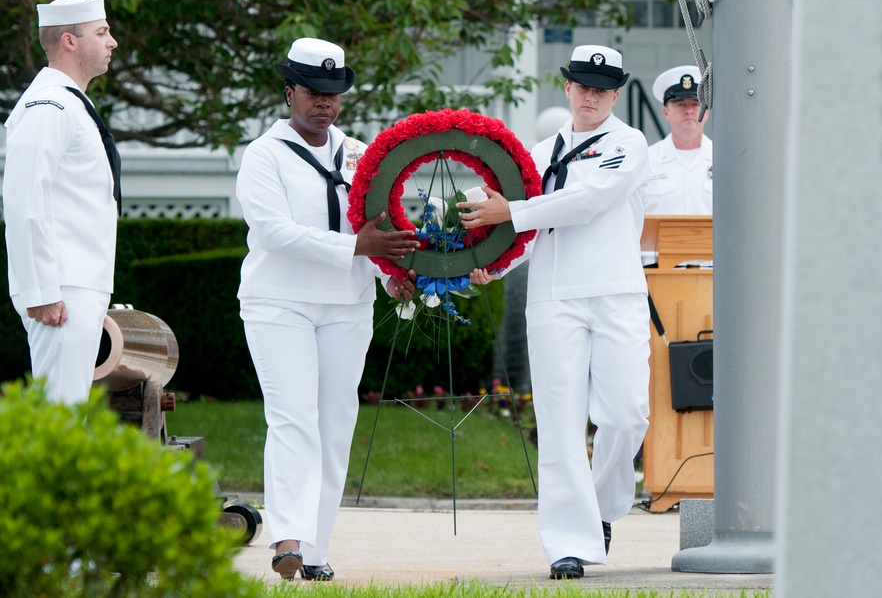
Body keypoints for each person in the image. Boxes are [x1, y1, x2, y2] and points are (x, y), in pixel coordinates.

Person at [458, 45, 651, 580]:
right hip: (553, 296)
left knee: (626, 414)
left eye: (601, 89)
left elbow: (586, 200)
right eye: (581, 86)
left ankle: (601, 506)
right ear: (566, 88)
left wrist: (511, 211)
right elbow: (521, 230)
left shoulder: (629, 144)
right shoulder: (537, 155)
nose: (589, 96)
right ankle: (568, 542)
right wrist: (490, 266)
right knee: (560, 421)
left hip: (615, 292)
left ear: (615, 95)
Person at [236, 38, 418, 581]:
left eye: (334, 95)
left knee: (335, 424)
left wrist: (394, 275)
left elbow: (380, 227)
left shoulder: (362, 153)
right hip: (280, 302)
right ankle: (286, 537)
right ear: (288, 90)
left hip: (347, 304)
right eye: (314, 93)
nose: (325, 104)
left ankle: (314, 548)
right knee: (293, 418)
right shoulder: (263, 155)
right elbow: (274, 233)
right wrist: (357, 249)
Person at [3, 0, 121, 405]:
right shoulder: (49, 105)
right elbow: (23, 200)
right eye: (102, 32)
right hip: (61, 286)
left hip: (74, 281)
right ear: (69, 41)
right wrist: (40, 289)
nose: (113, 42)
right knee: (61, 414)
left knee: (70, 413)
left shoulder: (67, 102)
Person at [643, 65, 713, 215]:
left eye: (695, 104)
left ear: (706, 112)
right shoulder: (646, 160)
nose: (688, 110)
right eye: (680, 104)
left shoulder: (724, 160)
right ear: (666, 112)